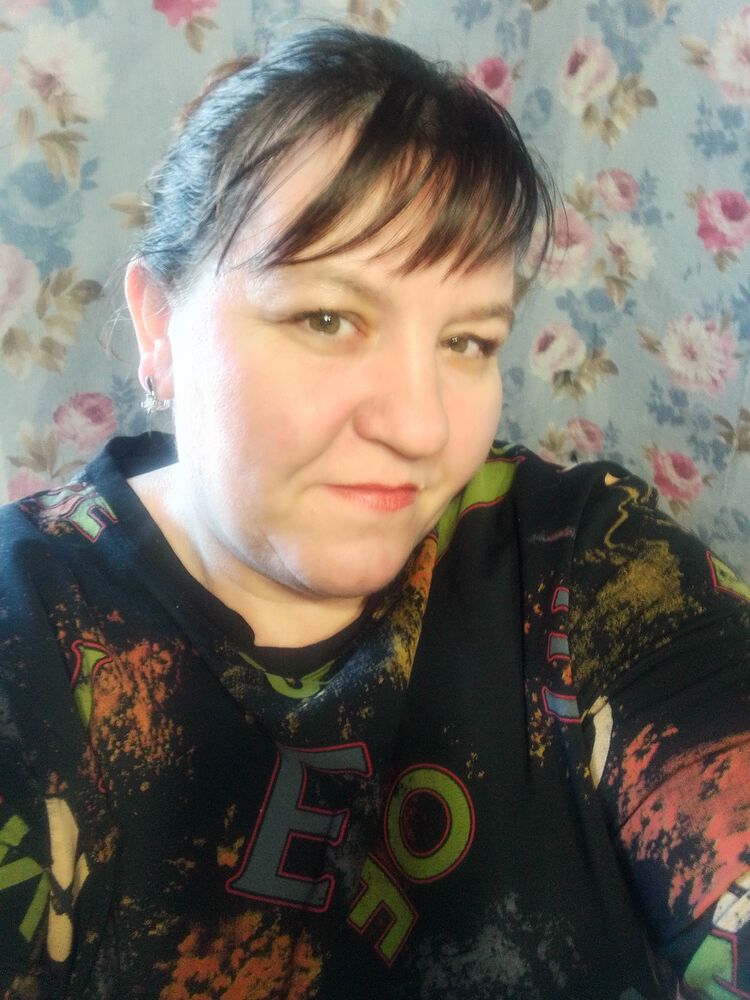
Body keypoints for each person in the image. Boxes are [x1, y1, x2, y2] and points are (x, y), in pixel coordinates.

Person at [0, 25, 748, 1000]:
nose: (421, 426)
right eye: (327, 318)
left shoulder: (579, 559)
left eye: (469, 341)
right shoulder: (30, 628)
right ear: (160, 328)